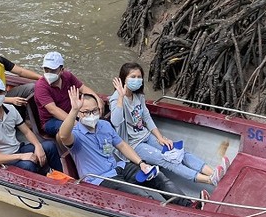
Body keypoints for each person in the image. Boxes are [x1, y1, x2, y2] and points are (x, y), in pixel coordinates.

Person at [58, 86, 193, 205]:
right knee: (142, 196)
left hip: (119, 167)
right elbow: (63, 136)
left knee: (158, 176)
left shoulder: (104, 125)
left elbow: (122, 145)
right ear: (79, 114)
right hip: (100, 179)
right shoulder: (76, 135)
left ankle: (188, 205)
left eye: (94, 111)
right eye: (86, 112)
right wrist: (74, 110)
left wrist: (141, 163)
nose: (91, 115)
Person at [109, 63, 227, 197]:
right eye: (133, 77)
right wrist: (120, 96)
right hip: (133, 145)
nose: (136, 80)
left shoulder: (138, 96)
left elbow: (146, 118)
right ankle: (209, 180)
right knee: (167, 159)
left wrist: (160, 138)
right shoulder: (116, 99)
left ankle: (213, 172)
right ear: (124, 79)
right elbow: (115, 121)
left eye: (139, 77)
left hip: (146, 136)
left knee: (176, 152)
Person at [0, 76, 63, 175]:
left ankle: (61, 176)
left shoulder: (11, 109)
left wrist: (38, 146)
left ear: (5, 92)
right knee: (28, 165)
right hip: (5, 158)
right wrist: (21, 156)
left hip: (18, 148)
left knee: (49, 146)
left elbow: (26, 131)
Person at [34, 51, 99, 136]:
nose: (49, 73)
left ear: (61, 70)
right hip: (51, 121)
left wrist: (97, 99)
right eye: (46, 70)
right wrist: (75, 123)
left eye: (53, 70)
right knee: (68, 129)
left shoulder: (67, 76)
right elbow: (53, 110)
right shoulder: (41, 86)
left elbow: (82, 88)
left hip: (71, 112)